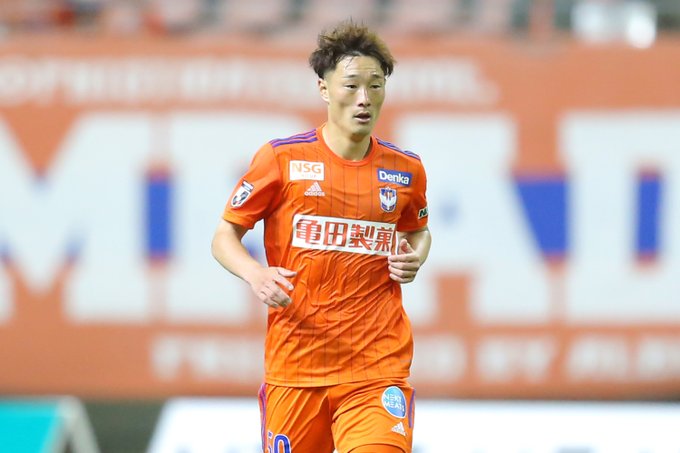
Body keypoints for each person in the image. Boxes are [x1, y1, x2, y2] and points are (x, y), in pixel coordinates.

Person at [211, 20, 431, 453]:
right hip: (296, 367)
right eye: (351, 85)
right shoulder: (281, 159)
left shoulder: (406, 170)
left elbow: (418, 231)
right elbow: (224, 236)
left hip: (376, 367)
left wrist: (415, 257)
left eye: (376, 85)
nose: (364, 98)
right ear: (324, 89)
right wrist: (255, 274)